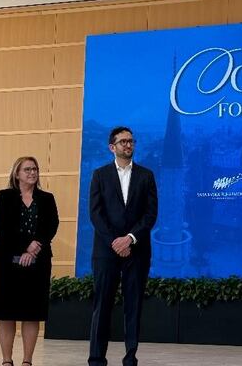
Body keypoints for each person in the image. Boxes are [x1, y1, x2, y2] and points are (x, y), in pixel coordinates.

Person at [88, 126, 158, 366]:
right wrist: (114, 242)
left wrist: (129, 239)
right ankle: (96, 359)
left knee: (133, 306)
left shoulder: (146, 175)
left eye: (131, 141)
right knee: (102, 305)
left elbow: (150, 215)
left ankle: (130, 358)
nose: (128, 145)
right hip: (105, 252)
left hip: (137, 251)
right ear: (112, 147)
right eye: (123, 142)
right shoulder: (99, 175)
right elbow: (96, 215)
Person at [0, 156, 59, 366]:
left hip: (38, 262)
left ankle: (27, 361)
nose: (32, 173)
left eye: (35, 169)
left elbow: (52, 225)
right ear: (17, 174)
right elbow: (1, 225)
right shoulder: (5, 196)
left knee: (32, 311)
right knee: (6, 311)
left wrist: (36, 246)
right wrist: (25, 247)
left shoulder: (47, 198)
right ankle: (7, 360)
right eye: (27, 169)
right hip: (5, 262)